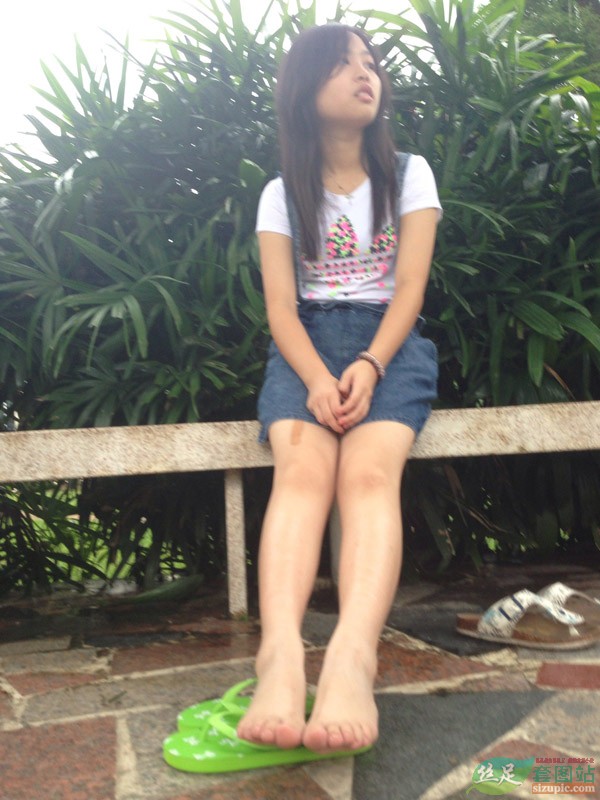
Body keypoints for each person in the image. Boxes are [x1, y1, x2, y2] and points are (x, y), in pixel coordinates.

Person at [237, 22, 442, 755]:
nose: (366, 74)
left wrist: (372, 363)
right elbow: (280, 309)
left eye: (372, 63)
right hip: (305, 350)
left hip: (390, 344)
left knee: (367, 477)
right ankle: (280, 655)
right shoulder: (279, 193)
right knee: (301, 474)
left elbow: (410, 287)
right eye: (344, 64)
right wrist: (319, 376)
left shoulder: (409, 174)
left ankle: (354, 656)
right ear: (305, 88)